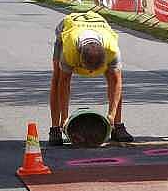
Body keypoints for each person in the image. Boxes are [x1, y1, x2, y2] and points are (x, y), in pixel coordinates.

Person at [49, 11, 134, 145]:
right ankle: (55, 129)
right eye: (87, 69)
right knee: (57, 76)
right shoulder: (70, 51)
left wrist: (111, 115)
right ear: (79, 59)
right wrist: (64, 119)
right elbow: (64, 83)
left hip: (99, 25)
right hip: (68, 26)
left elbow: (117, 82)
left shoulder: (111, 49)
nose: (89, 72)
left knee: (114, 77)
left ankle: (117, 126)